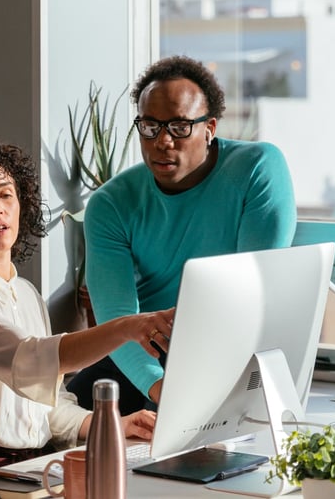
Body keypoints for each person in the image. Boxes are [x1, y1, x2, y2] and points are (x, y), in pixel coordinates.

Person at [0, 138, 174, 481]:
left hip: (28, 466)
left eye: (6, 195)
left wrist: (115, 425)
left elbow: (47, 406)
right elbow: (31, 360)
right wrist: (126, 327)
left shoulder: (26, 293)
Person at [67, 54, 297, 414]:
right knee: (63, 419)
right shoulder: (110, 204)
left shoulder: (258, 169)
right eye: (150, 126)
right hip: (144, 351)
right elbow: (117, 321)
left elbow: (256, 293)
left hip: (227, 348)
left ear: (210, 128)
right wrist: (163, 391)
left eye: (179, 127)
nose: (163, 142)